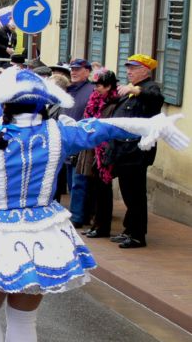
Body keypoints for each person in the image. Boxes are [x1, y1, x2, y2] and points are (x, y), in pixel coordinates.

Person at [0, 68, 187, 342]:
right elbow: (104, 127)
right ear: (45, 103)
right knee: (23, 320)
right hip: (41, 235)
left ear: (4, 104)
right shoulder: (61, 132)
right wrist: (150, 125)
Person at [108, 54, 166, 248]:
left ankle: (138, 236)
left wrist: (136, 89)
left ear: (145, 70)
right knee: (128, 193)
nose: (129, 72)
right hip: (124, 150)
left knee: (135, 195)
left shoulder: (150, 88)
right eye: (128, 68)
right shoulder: (130, 91)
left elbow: (156, 98)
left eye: (133, 68)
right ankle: (129, 230)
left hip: (137, 151)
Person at [80, 70, 120, 239]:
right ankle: (96, 224)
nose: (95, 88)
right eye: (95, 85)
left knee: (104, 191)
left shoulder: (114, 103)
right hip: (93, 149)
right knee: (94, 189)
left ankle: (103, 227)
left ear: (109, 86)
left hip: (105, 151)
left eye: (99, 85)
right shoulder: (95, 100)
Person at [63, 58, 95, 227]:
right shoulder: (69, 90)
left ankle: (77, 217)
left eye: (78, 69)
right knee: (71, 183)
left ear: (87, 71)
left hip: (83, 143)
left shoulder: (91, 91)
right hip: (67, 143)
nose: (73, 72)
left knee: (79, 183)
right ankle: (77, 214)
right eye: (72, 69)